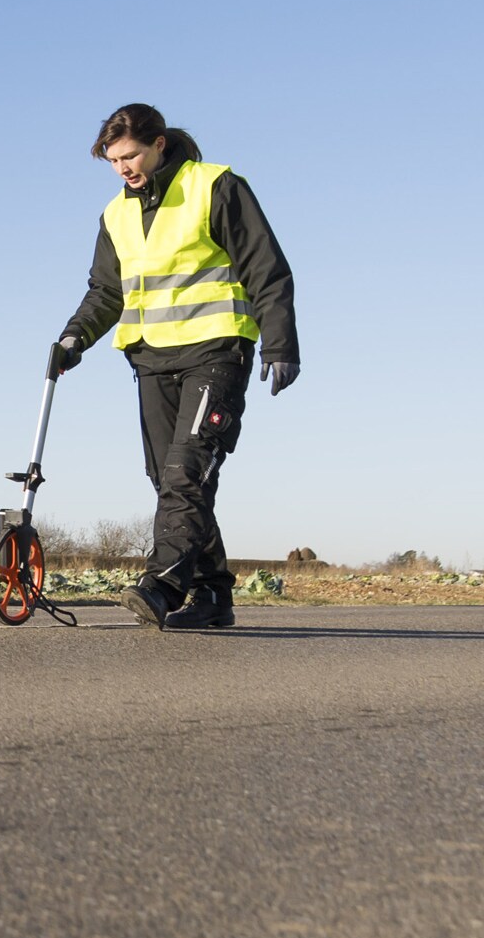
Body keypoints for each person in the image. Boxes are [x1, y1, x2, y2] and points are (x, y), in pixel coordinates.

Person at [53, 103, 299, 630]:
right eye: (113, 160)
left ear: (159, 143)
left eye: (130, 155)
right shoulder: (115, 215)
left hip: (216, 351)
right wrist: (74, 337)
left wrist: (280, 345)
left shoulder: (214, 187)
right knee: (168, 478)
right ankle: (212, 595)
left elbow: (266, 268)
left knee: (187, 472)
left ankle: (162, 585)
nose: (123, 168)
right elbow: (107, 292)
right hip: (152, 359)